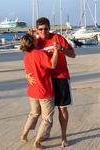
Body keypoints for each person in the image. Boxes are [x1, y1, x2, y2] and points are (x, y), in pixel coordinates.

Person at [27, 17, 76, 147]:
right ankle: (44, 134)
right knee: (44, 113)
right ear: (37, 30)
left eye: (46, 29)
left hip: (60, 78)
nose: (44, 31)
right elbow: (28, 57)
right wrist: (27, 74)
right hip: (43, 81)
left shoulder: (57, 38)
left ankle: (64, 136)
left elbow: (73, 54)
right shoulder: (35, 40)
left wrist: (61, 49)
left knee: (62, 109)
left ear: (49, 28)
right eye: (41, 29)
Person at [20, 33, 59, 148]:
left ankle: (24, 134)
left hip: (32, 91)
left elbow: (28, 72)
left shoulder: (27, 55)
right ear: (33, 42)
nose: (38, 40)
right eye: (35, 39)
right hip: (44, 91)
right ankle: (37, 141)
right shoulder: (40, 54)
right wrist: (56, 51)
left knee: (33, 114)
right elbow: (52, 64)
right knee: (46, 118)